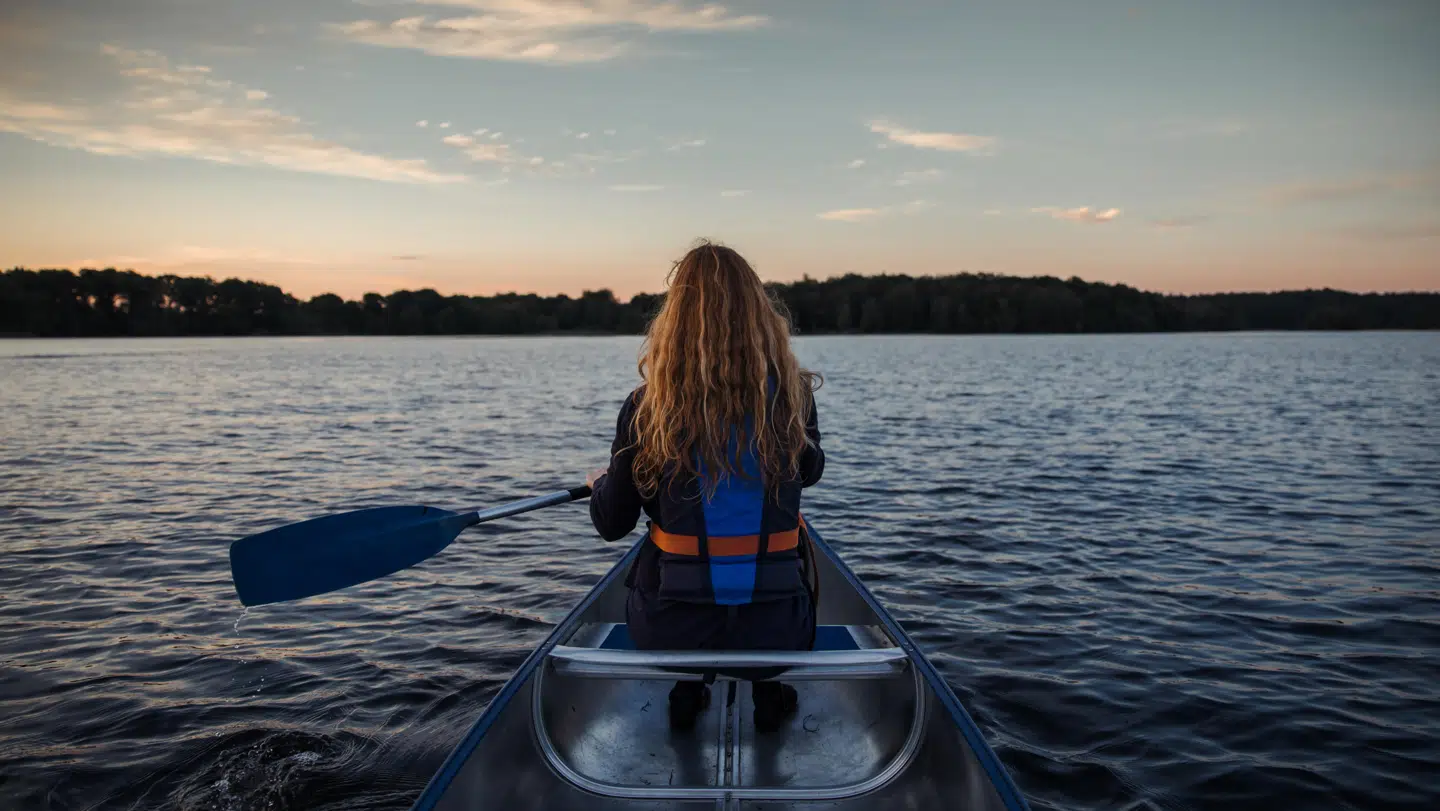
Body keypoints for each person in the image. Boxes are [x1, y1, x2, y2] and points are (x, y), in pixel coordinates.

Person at [585, 241, 825, 733]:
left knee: (683, 578)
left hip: (669, 630)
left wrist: (604, 483)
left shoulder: (646, 407)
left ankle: (688, 686)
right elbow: (811, 471)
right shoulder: (793, 399)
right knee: (775, 571)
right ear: (759, 315)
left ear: (674, 320)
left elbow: (613, 524)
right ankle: (768, 693)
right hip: (781, 630)